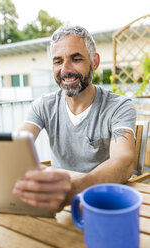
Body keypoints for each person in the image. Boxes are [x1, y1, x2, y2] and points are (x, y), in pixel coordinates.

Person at [13, 25, 136, 213]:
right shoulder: (43, 105)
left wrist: (73, 190)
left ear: (94, 62)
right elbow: (14, 147)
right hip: (57, 205)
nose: (65, 70)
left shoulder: (119, 106)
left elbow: (124, 161)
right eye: (58, 61)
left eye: (76, 59)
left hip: (101, 203)